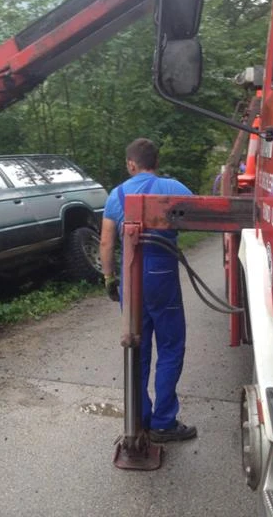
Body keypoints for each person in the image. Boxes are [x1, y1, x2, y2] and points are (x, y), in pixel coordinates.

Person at [99, 138, 197, 443]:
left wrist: (109, 278)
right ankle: (164, 422)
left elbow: (106, 243)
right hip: (161, 271)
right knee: (170, 345)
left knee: (136, 346)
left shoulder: (116, 194)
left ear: (131, 164)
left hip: (130, 274)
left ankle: (139, 417)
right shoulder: (173, 188)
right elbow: (200, 217)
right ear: (156, 162)